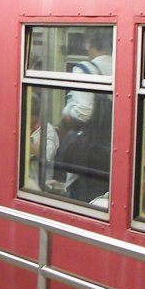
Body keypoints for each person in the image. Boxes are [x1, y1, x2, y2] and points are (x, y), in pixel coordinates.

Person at [54, 29, 114, 203]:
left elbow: (82, 112)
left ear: (89, 44)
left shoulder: (86, 69)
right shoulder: (125, 68)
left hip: (88, 160)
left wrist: (66, 114)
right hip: (112, 159)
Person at [27, 93, 59, 190]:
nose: (26, 119)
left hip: (40, 186)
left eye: (30, 116)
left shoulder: (48, 132)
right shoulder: (22, 125)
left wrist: (29, 147)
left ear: (38, 114)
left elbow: (47, 155)